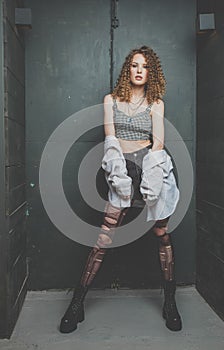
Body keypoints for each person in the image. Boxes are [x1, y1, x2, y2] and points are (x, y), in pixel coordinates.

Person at [59, 46, 182, 334]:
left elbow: (159, 143)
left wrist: (149, 177)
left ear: (151, 72)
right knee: (104, 236)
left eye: (145, 66)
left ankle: (170, 302)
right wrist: (120, 173)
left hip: (150, 166)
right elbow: (110, 138)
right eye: (135, 65)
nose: (139, 70)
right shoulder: (111, 100)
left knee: (162, 234)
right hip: (120, 165)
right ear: (128, 69)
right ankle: (76, 304)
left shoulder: (156, 103)